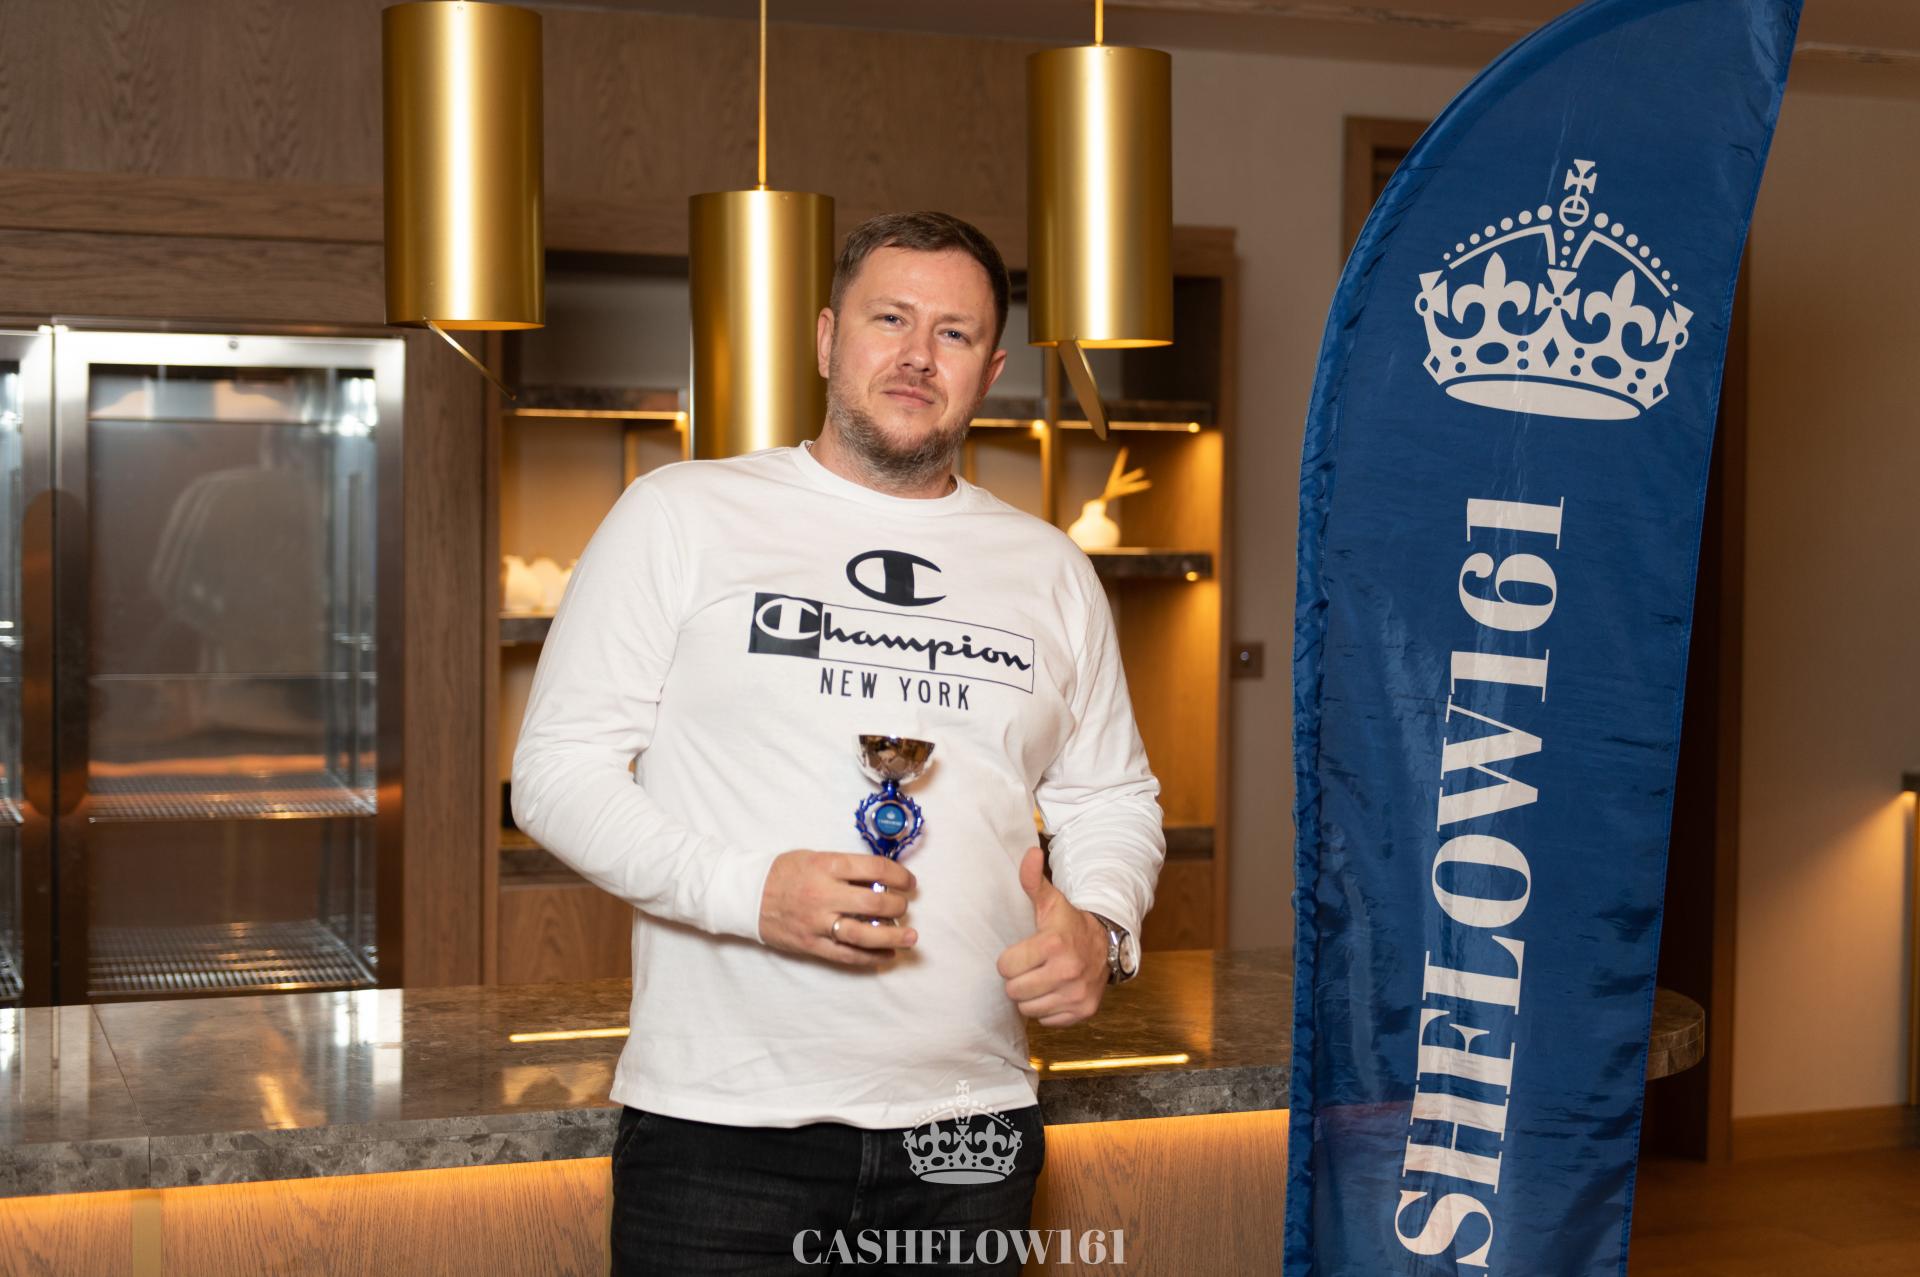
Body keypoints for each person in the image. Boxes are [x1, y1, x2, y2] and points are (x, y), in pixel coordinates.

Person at [510, 211, 1165, 1274]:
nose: (917, 355)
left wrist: (1104, 926)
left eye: (954, 333)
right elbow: (555, 770)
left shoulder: (1050, 569)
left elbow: (1111, 797)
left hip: (970, 1127)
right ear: (826, 338)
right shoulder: (681, 514)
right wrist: (748, 891)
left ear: (991, 370)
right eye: (889, 319)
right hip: (722, 1127)